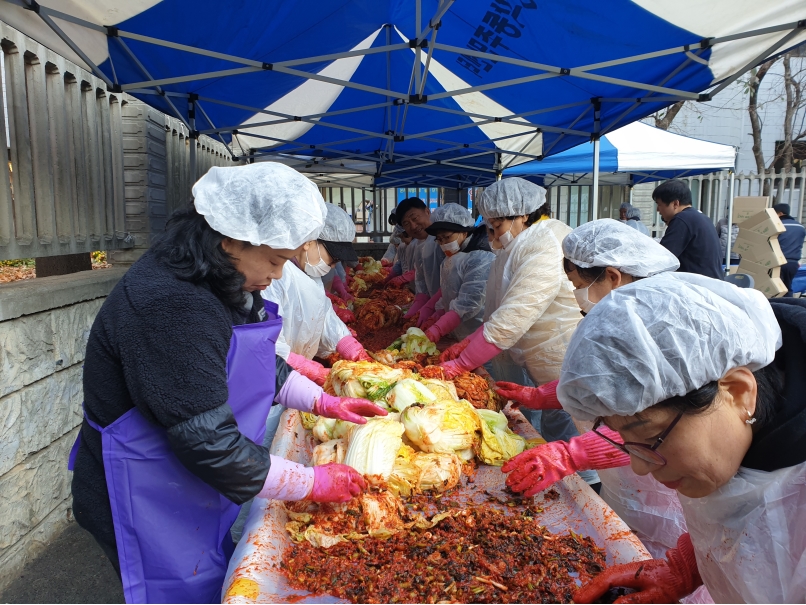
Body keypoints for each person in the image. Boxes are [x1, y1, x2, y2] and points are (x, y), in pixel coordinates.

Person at [70, 163, 387, 603]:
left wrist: (326, 403)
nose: (277, 275)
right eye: (275, 260)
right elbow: (208, 442)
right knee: (179, 592)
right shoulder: (171, 305)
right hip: (143, 492)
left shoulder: (222, 279)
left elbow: (253, 362)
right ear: (231, 239)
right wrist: (311, 483)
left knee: (215, 574)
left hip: (186, 479)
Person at [555, 272, 806, 603]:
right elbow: (738, 513)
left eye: (652, 437)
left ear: (738, 392)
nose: (641, 468)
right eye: (625, 441)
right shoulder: (735, 437)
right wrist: (686, 567)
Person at [498, 220, 705, 568]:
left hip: (663, 487)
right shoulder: (614, 317)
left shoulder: (665, 326)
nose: (578, 296)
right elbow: (594, 387)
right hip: (623, 484)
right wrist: (537, 397)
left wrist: (574, 453)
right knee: (623, 551)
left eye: (580, 285)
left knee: (662, 564)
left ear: (612, 276)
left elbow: (656, 424)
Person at [437, 178, 598, 486]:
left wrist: (459, 365)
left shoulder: (545, 243)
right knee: (552, 430)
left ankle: (586, 489)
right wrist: (466, 345)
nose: (493, 235)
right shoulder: (518, 245)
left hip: (561, 355)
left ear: (522, 214)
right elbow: (499, 309)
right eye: (490, 227)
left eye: (497, 226)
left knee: (577, 438)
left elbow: (512, 317)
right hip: (540, 361)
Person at [264, 202, 372, 390]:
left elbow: (324, 316)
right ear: (309, 241)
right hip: (272, 376)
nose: (331, 266)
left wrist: (348, 346)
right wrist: (309, 369)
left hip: (292, 380)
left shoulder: (310, 275)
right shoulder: (274, 275)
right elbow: (266, 344)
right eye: (333, 258)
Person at [419, 203, 494, 343]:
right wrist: (436, 315)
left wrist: (438, 328)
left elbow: (468, 303)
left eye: (447, 237)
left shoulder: (480, 258)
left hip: (480, 336)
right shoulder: (452, 258)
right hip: (460, 333)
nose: (443, 243)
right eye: (439, 240)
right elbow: (450, 293)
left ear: (464, 232)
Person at [654, 179, 723, 279]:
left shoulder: (681, 220)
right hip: (713, 281)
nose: (657, 210)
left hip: (699, 286)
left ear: (675, 204)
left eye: (659, 204)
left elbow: (663, 257)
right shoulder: (701, 217)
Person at [395, 197, 445, 323]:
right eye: (406, 223)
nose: (413, 226)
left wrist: (428, 307)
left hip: (456, 313)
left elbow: (451, 284)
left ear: (427, 211)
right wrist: (417, 308)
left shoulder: (446, 240)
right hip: (437, 313)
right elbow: (421, 284)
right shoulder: (418, 246)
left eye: (415, 218)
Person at [774, 203, 805, 296]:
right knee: (787, 288)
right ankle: (789, 306)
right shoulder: (800, 227)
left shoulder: (776, 225)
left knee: (775, 290)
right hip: (793, 263)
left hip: (778, 262)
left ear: (780, 214)